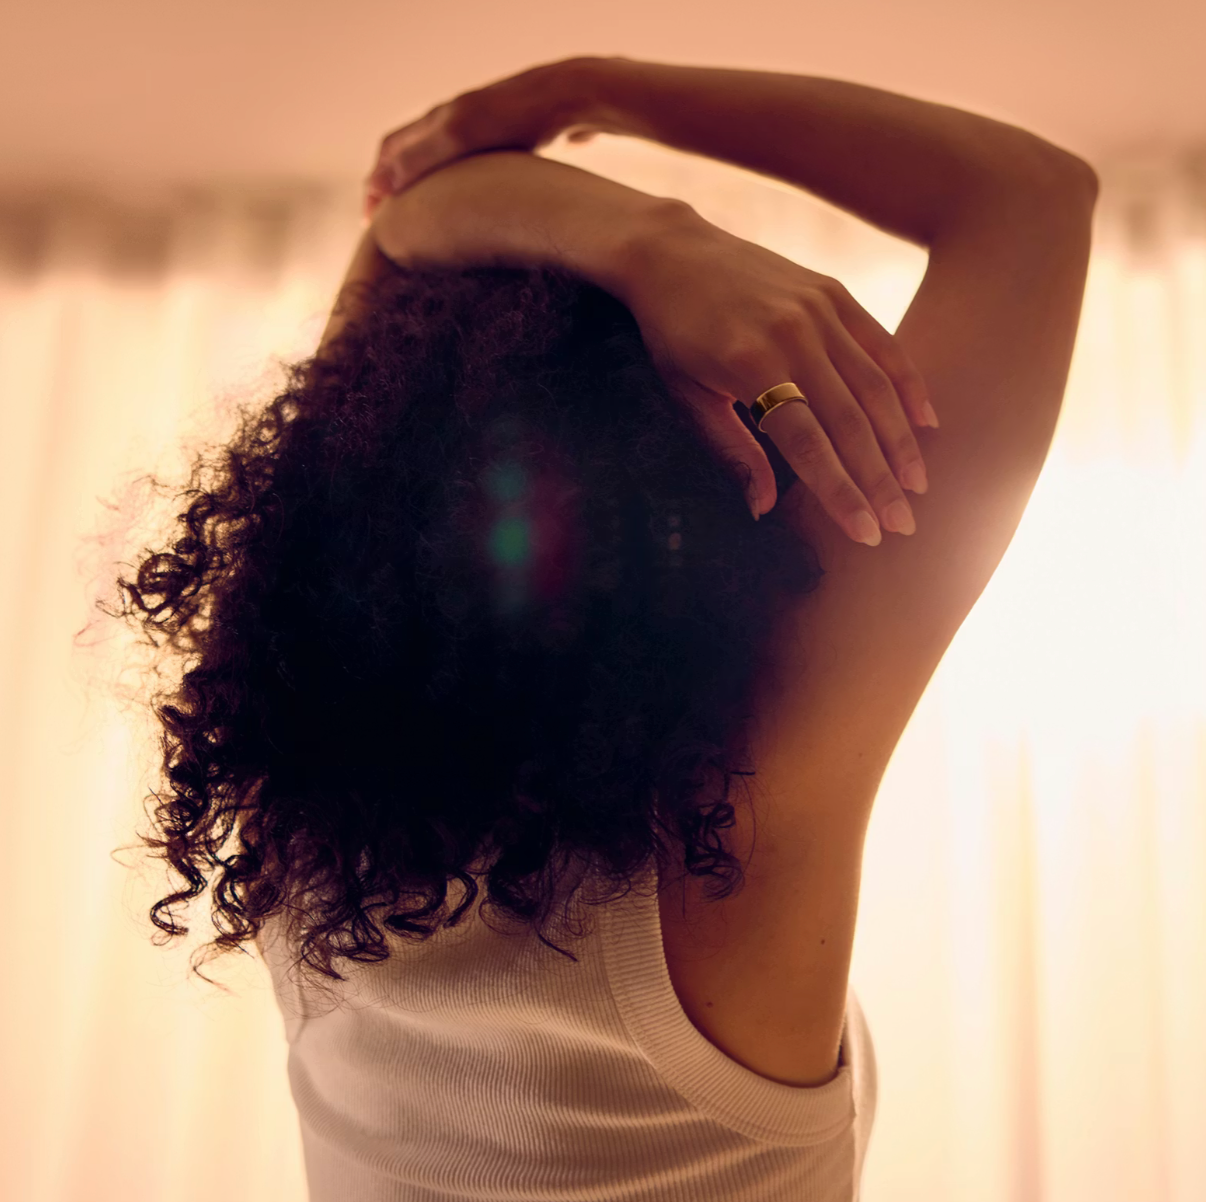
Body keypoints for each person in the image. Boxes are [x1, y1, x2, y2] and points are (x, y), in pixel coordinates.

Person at [114, 56, 1097, 1201]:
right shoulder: (733, 818)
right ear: (696, 495)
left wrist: (655, 250)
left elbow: (407, 227)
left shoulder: (299, 817)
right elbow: (1026, 196)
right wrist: (594, 96)